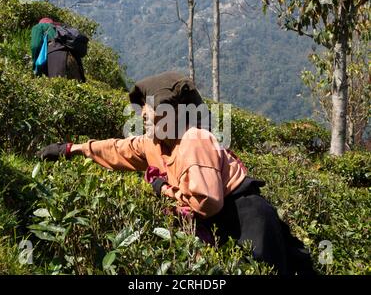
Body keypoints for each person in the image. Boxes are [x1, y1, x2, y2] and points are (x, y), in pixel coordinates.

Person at [38, 71, 315, 275]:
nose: (143, 114)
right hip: (224, 221)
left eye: (149, 107)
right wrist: (71, 149)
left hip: (247, 218)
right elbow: (117, 149)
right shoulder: (155, 143)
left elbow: (207, 202)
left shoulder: (194, 140)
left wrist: (163, 189)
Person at [30, 18, 86, 82]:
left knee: (57, 87)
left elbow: (35, 46)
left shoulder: (39, 27)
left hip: (56, 58)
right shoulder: (62, 28)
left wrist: (35, 66)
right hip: (75, 61)